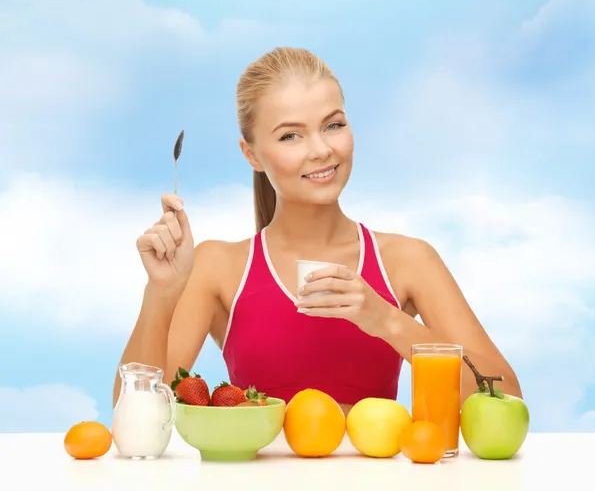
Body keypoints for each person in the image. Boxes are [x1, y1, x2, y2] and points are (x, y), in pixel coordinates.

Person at [113, 47, 522, 414]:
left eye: (333, 125)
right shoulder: (218, 266)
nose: (321, 150)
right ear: (251, 153)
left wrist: (388, 321)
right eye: (291, 135)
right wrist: (162, 291)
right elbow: (136, 417)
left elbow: (506, 400)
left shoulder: (408, 261)